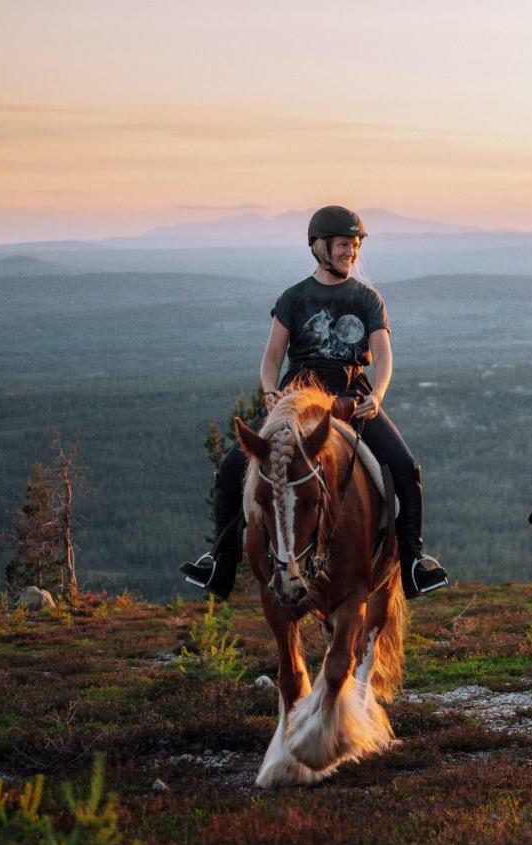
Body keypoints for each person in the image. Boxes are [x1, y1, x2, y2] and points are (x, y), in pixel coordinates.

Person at [180, 205, 450, 599]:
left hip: (350, 400)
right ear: (320, 247)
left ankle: (412, 562)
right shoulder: (294, 298)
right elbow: (272, 357)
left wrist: (376, 395)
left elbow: (384, 355)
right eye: (344, 245)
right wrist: (270, 389)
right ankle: (220, 563)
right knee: (232, 469)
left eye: (354, 246)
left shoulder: (367, 298)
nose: (351, 253)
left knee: (406, 469)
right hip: (297, 400)